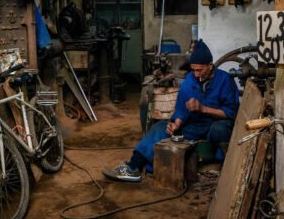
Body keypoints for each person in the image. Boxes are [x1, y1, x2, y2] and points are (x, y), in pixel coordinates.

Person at [102, 39, 240, 182]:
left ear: (210, 66)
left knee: (220, 129)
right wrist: (176, 123)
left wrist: (203, 108)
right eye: (194, 70)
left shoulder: (225, 80)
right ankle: (133, 166)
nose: (197, 74)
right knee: (160, 127)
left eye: (200, 70)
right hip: (194, 125)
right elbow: (181, 110)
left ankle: (224, 164)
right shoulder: (189, 81)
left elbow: (230, 113)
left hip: (214, 124)